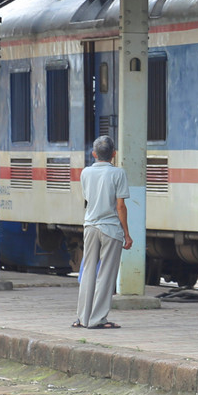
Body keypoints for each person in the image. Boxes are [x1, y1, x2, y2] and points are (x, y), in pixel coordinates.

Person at [74, 135, 132, 329]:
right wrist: (127, 233)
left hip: (90, 227)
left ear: (93, 154)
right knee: (106, 274)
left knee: (89, 270)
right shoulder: (118, 173)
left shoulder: (85, 173)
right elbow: (121, 206)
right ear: (114, 154)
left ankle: (82, 318)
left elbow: (88, 198)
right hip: (110, 229)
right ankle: (98, 319)